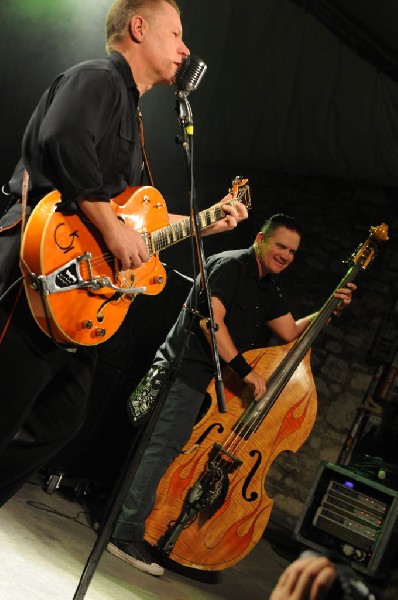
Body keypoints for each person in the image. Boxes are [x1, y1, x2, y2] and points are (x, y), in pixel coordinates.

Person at [0, 0, 248, 507]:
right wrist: (112, 231)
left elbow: (135, 222)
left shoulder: (131, 112)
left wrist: (205, 222)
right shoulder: (96, 77)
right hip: (38, 271)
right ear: (139, 28)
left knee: (62, 419)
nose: (185, 49)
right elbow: (62, 140)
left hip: (80, 294)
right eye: (176, 34)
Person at [107, 213, 357, 576]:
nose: (285, 255)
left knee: (169, 455)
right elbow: (213, 324)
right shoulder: (229, 266)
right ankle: (122, 535)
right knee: (159, 453)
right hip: (185, 372)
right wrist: (246, 371)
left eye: (292, 251)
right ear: (260, 239)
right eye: (280, 245)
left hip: (209, 385)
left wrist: (329, 308)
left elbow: (290, 332)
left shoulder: (267, 288)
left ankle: (139, 528)